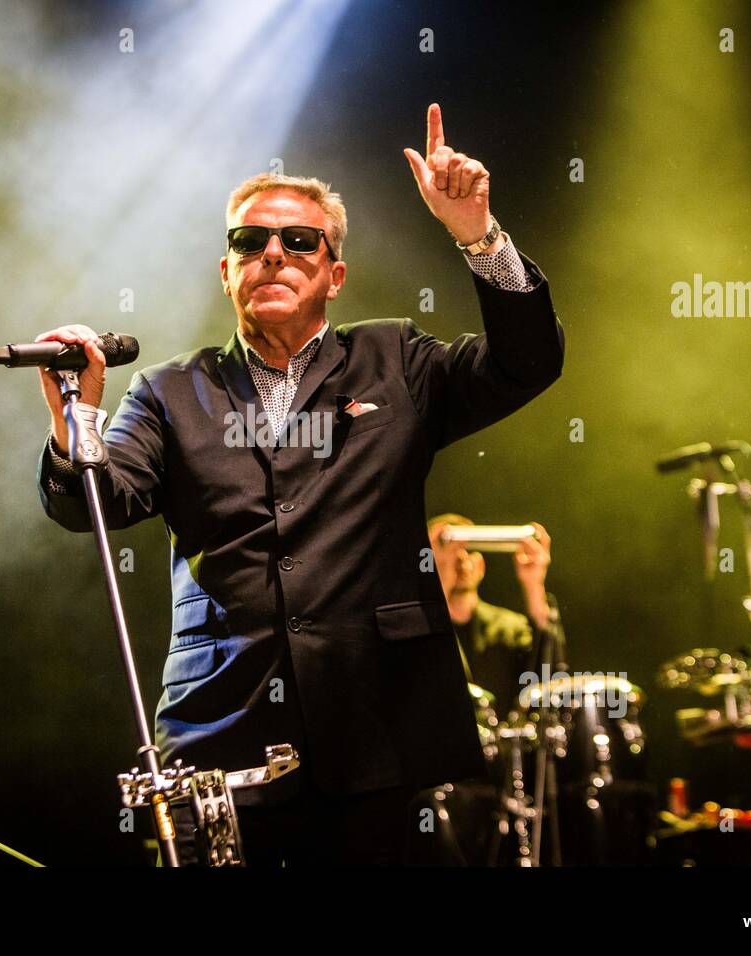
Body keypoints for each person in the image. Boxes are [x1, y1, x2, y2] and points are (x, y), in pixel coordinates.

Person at [34, 103, 564, 864]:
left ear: (334, 273)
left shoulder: (395, 361)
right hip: (223, 737)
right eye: (250, 241)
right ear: (226, 272)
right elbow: (95, 503)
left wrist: (477, 237)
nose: (272, 254)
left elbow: (528, 363)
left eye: (298, 240)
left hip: (379, 725)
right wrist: (74, 417)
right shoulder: (168, 392)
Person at [425, 514, 559, 717]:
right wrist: (435, 585)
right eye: (445, 549)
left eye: (468, 549)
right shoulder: (414, 628)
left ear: (481, 565)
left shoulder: (511, 628)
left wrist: (534, 584)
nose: (460, 557)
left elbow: (550, 678)